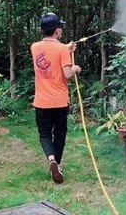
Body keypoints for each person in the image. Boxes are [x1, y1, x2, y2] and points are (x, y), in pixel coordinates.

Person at [31, 12, 81, 184]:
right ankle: (57, 164)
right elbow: (67, 74)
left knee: (44, 134)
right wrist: (75, 68)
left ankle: (51, 159)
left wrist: (65, 48)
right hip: (59, 101)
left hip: (41, 101)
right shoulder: (61, 50)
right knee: (59, 133)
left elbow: (50, 53)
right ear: (57, 31)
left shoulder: (35, 47)